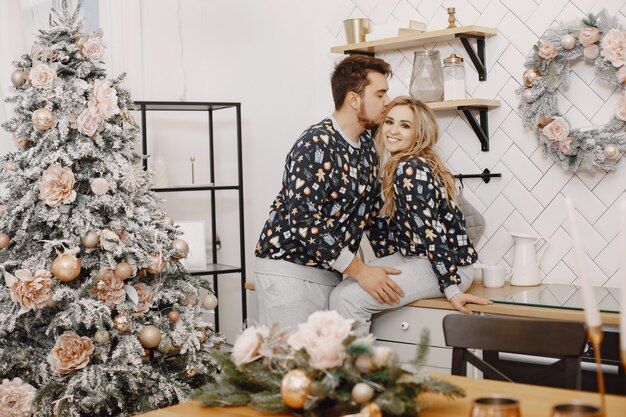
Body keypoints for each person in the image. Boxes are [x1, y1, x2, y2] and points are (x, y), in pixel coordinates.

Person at [254, 55, 406, 328]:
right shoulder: (316, 142)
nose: (387, 102)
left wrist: (406, 262)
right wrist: (361, 271)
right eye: (380, 94)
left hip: (332, 274)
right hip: (289, 273)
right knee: (294, 368)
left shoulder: (368, 149)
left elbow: (373, 217)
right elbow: (303, 221)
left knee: (326, 368)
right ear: (354, 99)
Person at [329, 96, 491, 335]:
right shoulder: (398, 165)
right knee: (342, 292)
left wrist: (452, 289)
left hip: (447, 267)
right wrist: (383, 265)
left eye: (405, 125)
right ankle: (354, 366)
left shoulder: (410, 169)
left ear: (419, 133)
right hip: (414, 258)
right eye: (389, 122)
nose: (393, 131)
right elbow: (381, 224)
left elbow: (430, 230)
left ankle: (359, 370)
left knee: (348, 299)